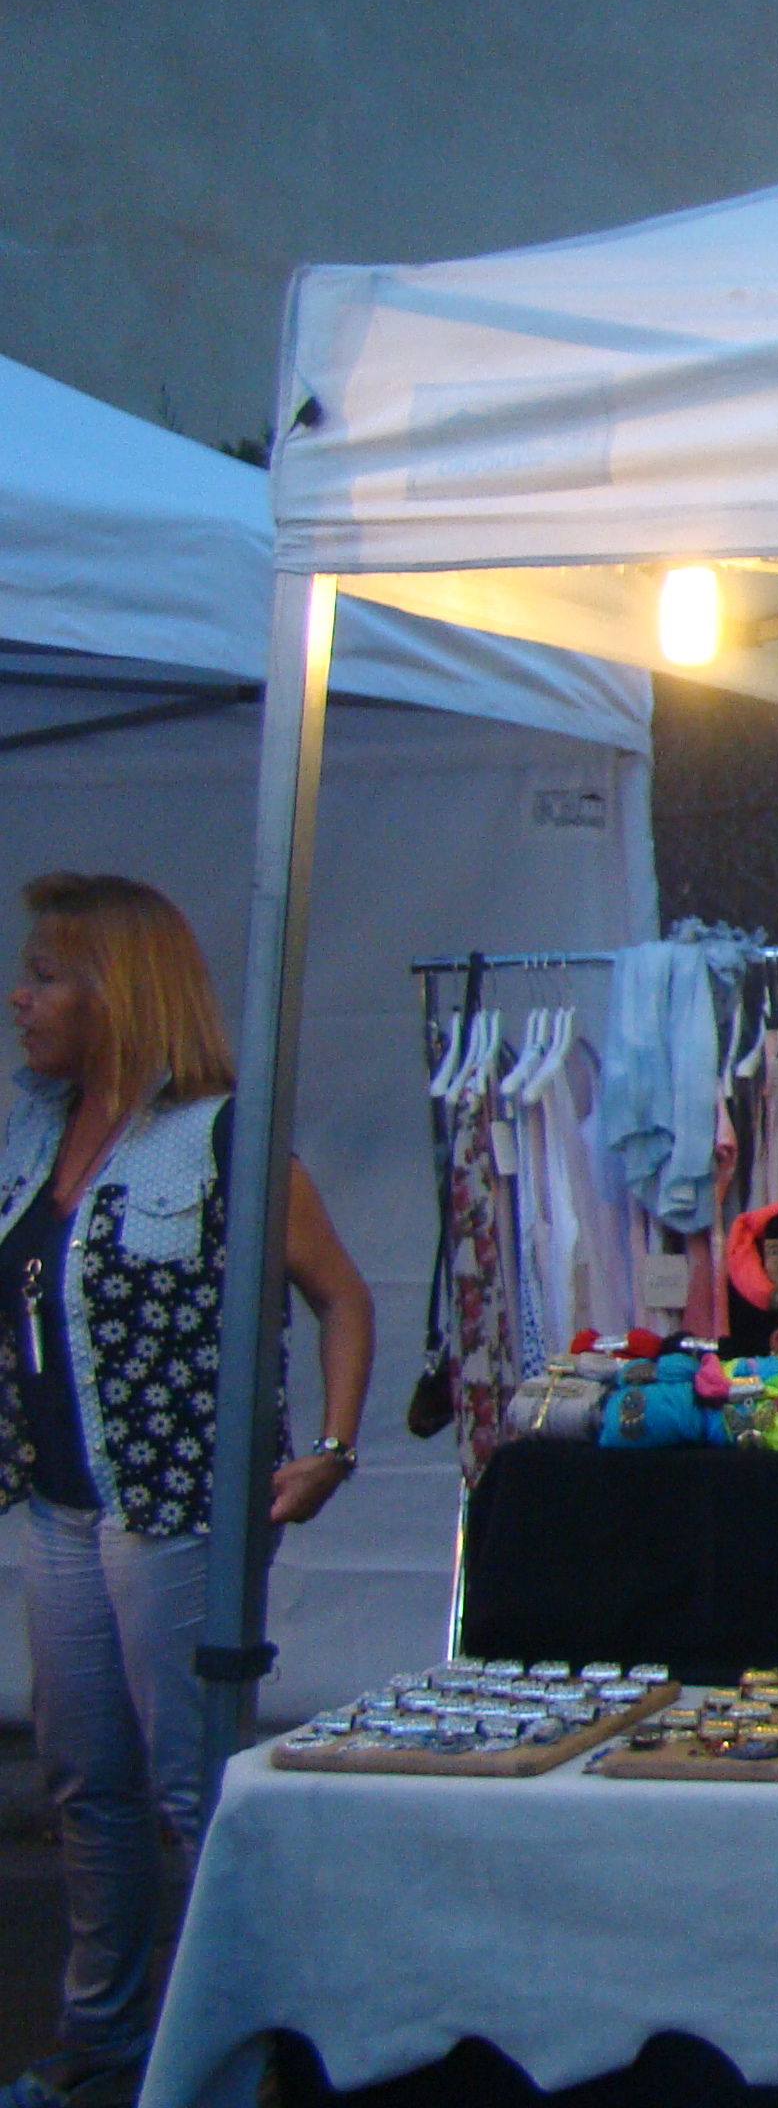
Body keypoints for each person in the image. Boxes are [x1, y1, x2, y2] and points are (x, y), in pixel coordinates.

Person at [2, 874, 373, 2108]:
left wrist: (331, 1448)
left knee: (190, 1785)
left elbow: (341, 1297)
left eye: (45, 975)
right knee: (84, 1788)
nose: (20, 998)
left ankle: (246, 2050)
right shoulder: (32, 1133)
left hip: (177, 1512)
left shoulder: (220, 1138)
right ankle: (101, 2047)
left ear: (116, 989)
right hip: (64, 1505)